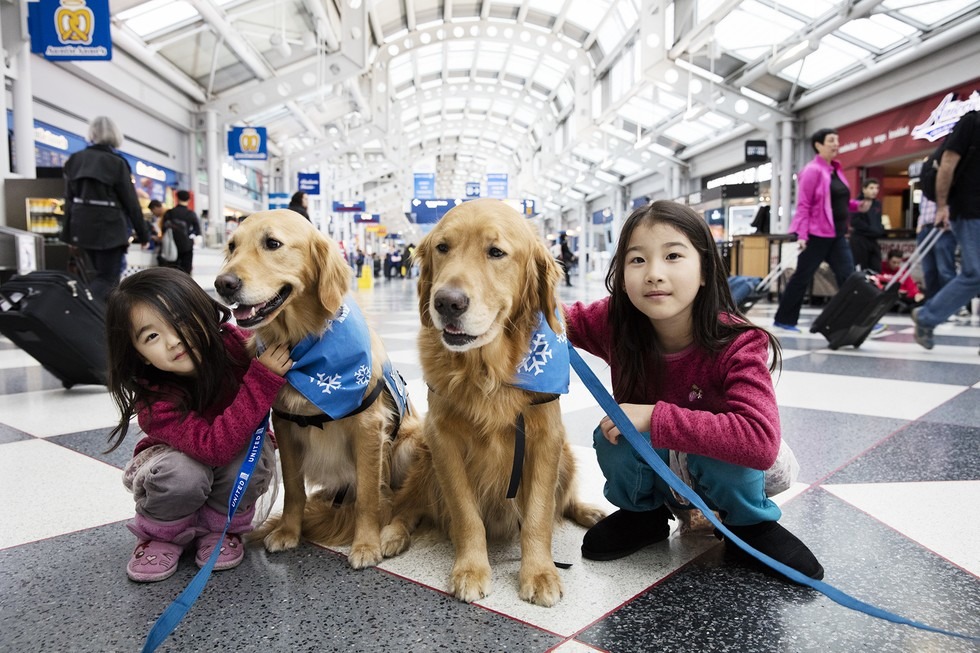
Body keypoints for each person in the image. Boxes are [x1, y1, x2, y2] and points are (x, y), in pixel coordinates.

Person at [563, 200, 824, 582]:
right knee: (612, 436)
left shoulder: (737, 341)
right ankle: (643, 516)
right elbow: (551, 318)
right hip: (661, 467)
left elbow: (760, 443)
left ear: (704, 269)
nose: (653, 273)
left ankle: (749, 525)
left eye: (672, 256)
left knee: (725, 450)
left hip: (735, 474)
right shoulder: (616, 322)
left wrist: (655, 415)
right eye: (637, 260)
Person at [103, 268, 292, 582]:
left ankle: (217, 529)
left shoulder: (240, 345)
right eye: (152, 336)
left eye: (180, 320)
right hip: (175, 462)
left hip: (237, 459)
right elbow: (212, 449)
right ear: (139, 354)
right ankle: (160, 533)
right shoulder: (155, 398)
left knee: (253, 462)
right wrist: (261, 379)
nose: (174, 341)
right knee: (184, 474)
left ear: (203, 311)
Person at [772, 128, 872, 333]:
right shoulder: (812, 170)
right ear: (818, 145)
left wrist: (855, 206)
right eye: (831, 140)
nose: (836, 144)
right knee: (802, 277)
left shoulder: (835, 169)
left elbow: (837, 201)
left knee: (848, 275)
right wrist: (801, 234)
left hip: (836, 234)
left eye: (837, 140)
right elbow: (804, 205)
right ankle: (784, 319)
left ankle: (861, 317)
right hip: (816, 235)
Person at [913, 110, 980, 349]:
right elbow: (948, 163)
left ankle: (928, 316)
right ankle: (927, 316)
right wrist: (942, 205)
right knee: (975, 273)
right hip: (970, 210)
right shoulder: (972, 121)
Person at [62, 116, 148, 301]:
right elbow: (131, 202)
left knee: (94, 276)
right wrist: (143, 234)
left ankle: (93, 315)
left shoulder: (75, 159)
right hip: (110, 230)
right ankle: (88, 308)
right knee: (108, 279)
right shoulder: (117, 162)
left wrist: (68, 234)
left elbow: (69, 199)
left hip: (81, 228)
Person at [916, 195, 957, 300]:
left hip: (943, 228)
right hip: (925, 227)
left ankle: (952, 304)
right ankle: (933, 305)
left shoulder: (947, 182)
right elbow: (923, 208)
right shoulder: (926, 183)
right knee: (929, 271)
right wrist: (920, 225)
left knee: (945, 271)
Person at [160, 190, 202, 274]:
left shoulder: (170, 213)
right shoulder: (191, 214)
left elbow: (164, 228)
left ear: (177, 198)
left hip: (171, 246)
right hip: (187, 246)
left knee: (171, 271)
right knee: (186, 271)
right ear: (188, 200)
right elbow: (197, 231)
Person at [849, 178, 884, 271]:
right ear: (864, 189)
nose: (875, 191)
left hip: (873, 240)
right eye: (871, 188)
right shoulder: (856, 202)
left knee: (876, 268)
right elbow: (854, 221)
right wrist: (871, 229)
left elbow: (878, 219)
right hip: (860, 240)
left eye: (877, 188)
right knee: (861, 269)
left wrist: (880, 229)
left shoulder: (877, 203)